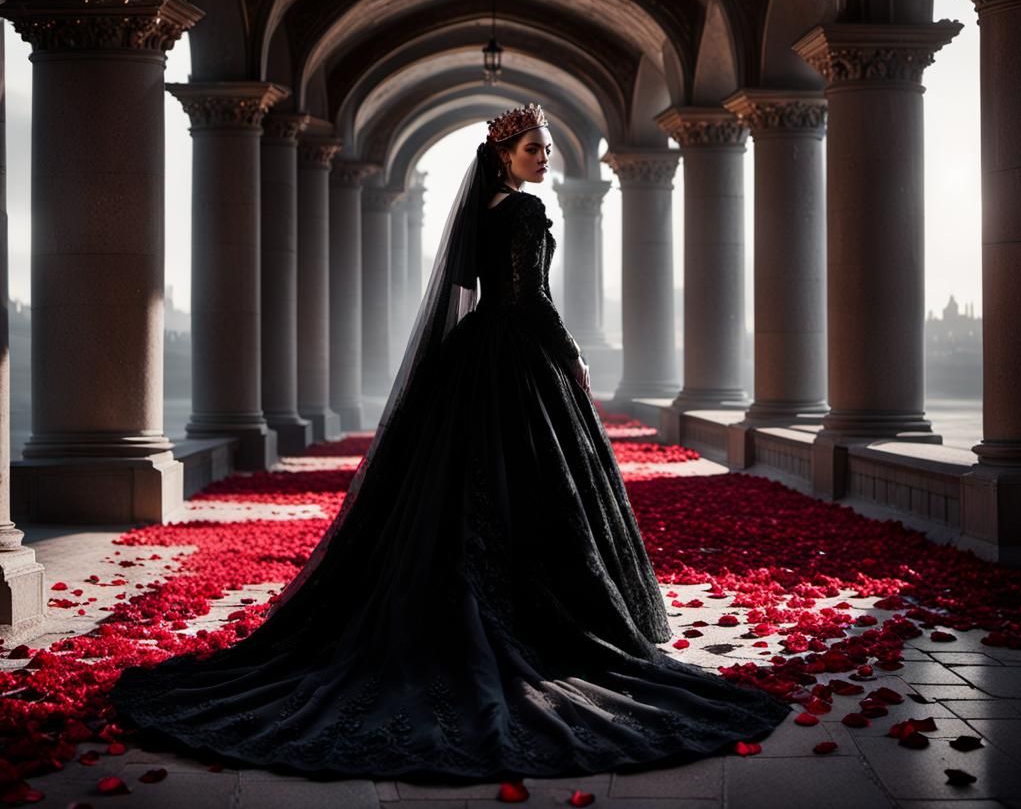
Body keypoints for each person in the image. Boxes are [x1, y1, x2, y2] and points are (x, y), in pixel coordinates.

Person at [109, 102, 792, 780]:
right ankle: (536, 620)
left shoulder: (482, 211)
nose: (543, 158)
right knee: (529, 492)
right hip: (519, 357)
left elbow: (475, 285)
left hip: (474, 358)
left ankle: (470, 608)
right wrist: (572, 355)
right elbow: (531, 299)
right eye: (533, 149)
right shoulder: (522, 213)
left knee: (465, 493)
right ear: (503, 156)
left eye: (546, 149)